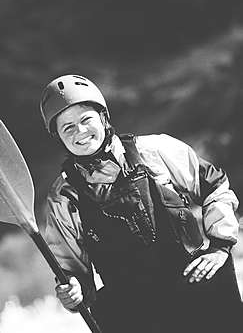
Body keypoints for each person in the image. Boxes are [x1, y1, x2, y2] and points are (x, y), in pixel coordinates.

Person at [40, 74, 242, 333]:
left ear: (103, 118)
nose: (80, 131)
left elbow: (215, 186)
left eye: (85, 119)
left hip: (197, 290)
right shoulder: (63, 197)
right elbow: (70, 269)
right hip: (138, 314)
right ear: (58, 137)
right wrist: (74, 289)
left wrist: (220, 246)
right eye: (67, 127)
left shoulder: (154, 151)